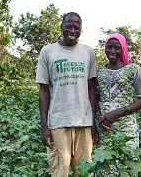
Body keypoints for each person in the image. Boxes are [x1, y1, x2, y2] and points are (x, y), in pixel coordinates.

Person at [35, 12, 98, 177]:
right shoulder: (48, 51)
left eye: (76, 27)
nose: (72, 30)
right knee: (59, 172)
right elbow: (43, 90)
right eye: (68, 26)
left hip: (83, 122)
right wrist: (44, 126)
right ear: (61, 27)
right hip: (57, 122)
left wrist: (93, 122)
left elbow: (91, 87)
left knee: (85, 172)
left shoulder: (88, 52)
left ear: (80, 30)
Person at [95, 33, 141, 149]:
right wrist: (98, 117)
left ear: (122, 49)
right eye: (109, 47)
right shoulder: (98, 71)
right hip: (104, 128)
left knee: (127, 163)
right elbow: (95, 97)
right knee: (106, 164)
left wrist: (118, 112)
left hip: (126, 129)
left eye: (117, 48)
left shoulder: (133, 69)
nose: (112, 51)